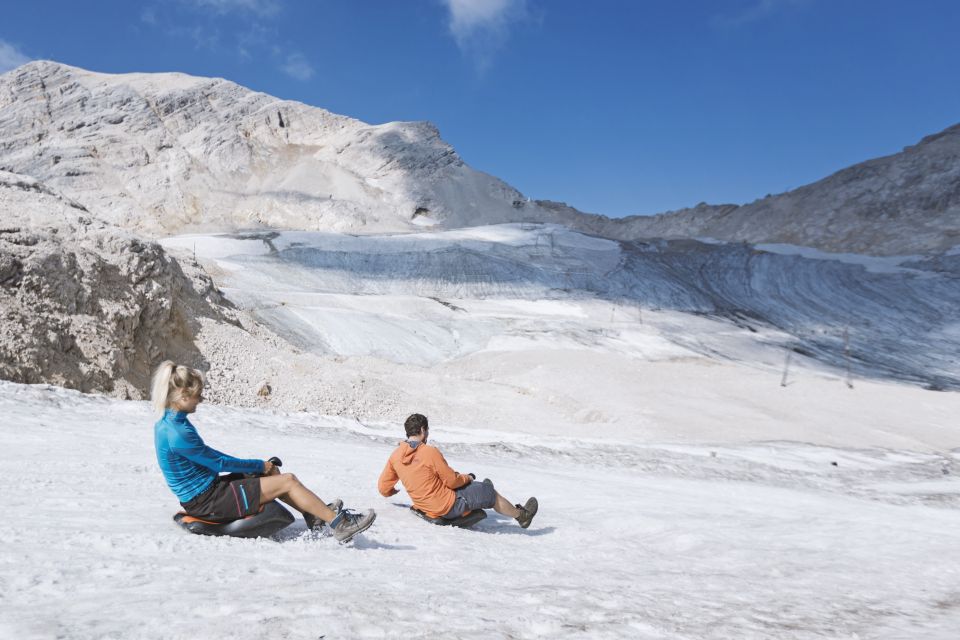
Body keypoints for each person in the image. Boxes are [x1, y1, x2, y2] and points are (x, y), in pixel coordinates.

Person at [151, 361, 375, 543]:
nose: (201, 399)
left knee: (272, 472)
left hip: (207, 493)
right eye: (197, 395)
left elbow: (210, 460)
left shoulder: (168, 423)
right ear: (182, 396)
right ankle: (340, 525)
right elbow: (218, 463)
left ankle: (313, 514)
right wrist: (258, 465)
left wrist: (261, 468)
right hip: (209, 500)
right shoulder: (177, 432)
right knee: (287, 481)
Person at [378, 413, 538, 528]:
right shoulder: (428, 451)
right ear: (422, 430)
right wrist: (468, 478)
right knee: (490, 493)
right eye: (426, 431)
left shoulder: (396, 455)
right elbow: (452, 481)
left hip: (425, 505)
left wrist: (392, 491)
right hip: (447, 506)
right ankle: (522, 516)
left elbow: (383, 488)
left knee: (475, 488)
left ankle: (479, 489)